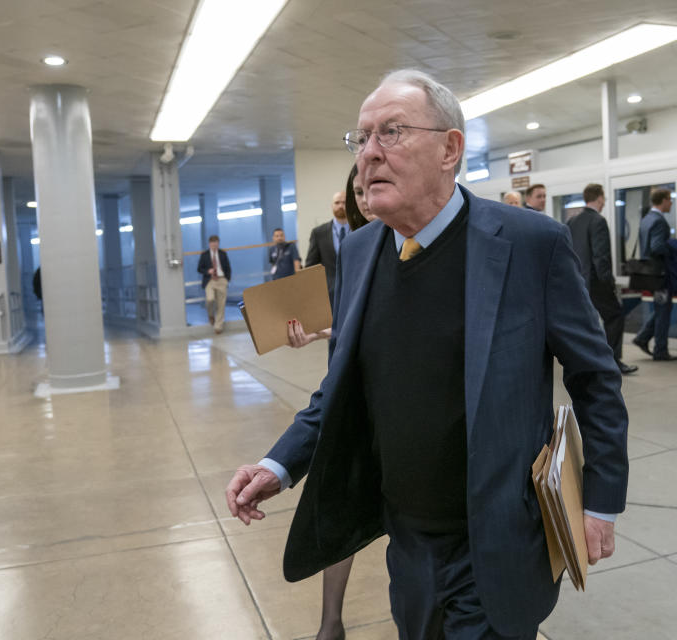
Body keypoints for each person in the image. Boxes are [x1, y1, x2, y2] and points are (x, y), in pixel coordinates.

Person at [227, 69, 629, 639]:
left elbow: (595, 379)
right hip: (406, 541)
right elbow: (341, 389)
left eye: (390, 132)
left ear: (450, 148)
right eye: (361, 138)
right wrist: (279, 464)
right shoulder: (362, 251)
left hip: (496, 536)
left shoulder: (528, 244)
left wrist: (601, 502)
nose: (368, 154)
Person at [287, 163, 372, 640]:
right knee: (341, 502)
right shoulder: (352, 250)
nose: (361, 200)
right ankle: (330, 622)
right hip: (349, 376)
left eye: (368, 190)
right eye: (356, 192)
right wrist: (323, 330)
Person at [566, 184, 638, 375]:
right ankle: (613, 361)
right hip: (597, 282)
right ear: (599, 198)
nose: (604, 202)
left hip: (577, 281)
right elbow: (601, 256)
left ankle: (585, 361)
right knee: (615, 316)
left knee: (585, 324)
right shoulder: (598, 220)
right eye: (604, 198)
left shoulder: (572, 221)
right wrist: (608, 283)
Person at [632, 189, 677, 361]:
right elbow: (657, 246)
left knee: (662, 307)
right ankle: (660, 350)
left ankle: (643, 337)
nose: (672, 203)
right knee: (663, 311)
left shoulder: (646, 219)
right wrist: (674, 249)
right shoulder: (659, 221)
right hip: (660, 274)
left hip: (651, 274)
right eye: (670, 200)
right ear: (663, 200)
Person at [305, 191, 350, 304]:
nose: (340, 206)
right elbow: (311, 267)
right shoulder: (318, 233)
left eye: (344, 202)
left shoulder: (361, 229)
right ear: (332, 206)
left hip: (358, 290)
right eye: (337, 202)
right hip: (329, 295)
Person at [196, 235, 231, 334]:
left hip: (221, 279)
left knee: (221, 304)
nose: (214, 244)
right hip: (210, 280)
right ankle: (211, 315)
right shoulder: (204, 255)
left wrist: (226, 279)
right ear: (209, 243)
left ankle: (218, 326)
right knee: (210, 299)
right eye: (212, 242)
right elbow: (199, 269)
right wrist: (208, 271)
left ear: (218, 243)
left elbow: (228, 268)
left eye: (216, 242)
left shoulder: (223, 254)